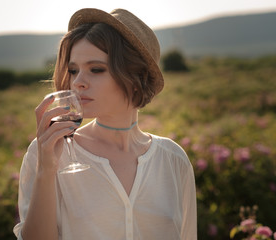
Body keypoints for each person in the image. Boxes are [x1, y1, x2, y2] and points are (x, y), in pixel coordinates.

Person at [13, 8, 197, 240]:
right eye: (73, 70)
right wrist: (46, 170)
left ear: (136, 78)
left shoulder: (173, 160)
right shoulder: (49, 152)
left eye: (96, 69)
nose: (78, 82)